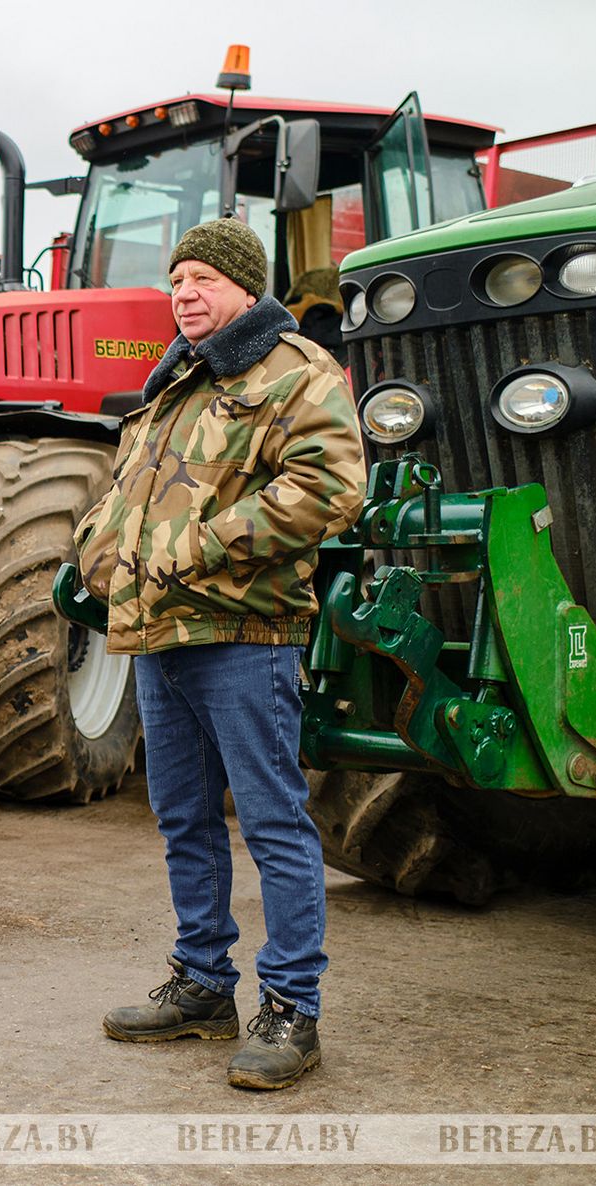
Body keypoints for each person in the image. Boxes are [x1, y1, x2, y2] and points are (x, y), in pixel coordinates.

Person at [72, 218, 366, 1090]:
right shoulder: (175, 383)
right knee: (184, 820)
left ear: (245, 287)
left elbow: (327, 489)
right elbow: (124, 494)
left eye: (202, 278)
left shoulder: (294, 369)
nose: (184, 293)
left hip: (244, 634)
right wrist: (94, 549)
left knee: (273, 822)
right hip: (159, 634)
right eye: (176, 281)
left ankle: (293, 1010)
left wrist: (195, 546)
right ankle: (203, 985)